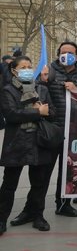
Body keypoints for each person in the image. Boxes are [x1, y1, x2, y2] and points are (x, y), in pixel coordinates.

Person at [0, 56, 55, 234]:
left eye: (29, 66)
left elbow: (51, 111)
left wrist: (43, 112)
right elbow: (11, 114)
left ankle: (37, 215)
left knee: (39, 183)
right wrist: (37, 111)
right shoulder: (8, 90)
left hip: (39, 141)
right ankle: (1, 219)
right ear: (13, 70)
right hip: (16, 143)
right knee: (9, 185)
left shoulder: (42, 88)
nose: (27, 69)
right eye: (23, 67)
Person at [46, 41, 77, 217]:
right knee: (43, 171)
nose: (65, 55)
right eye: (62, 52)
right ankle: (34, 209)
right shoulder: (48, 71)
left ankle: (63, 204)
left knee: (67, 171)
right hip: (52, 129)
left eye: (70, 52)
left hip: (73, 130)